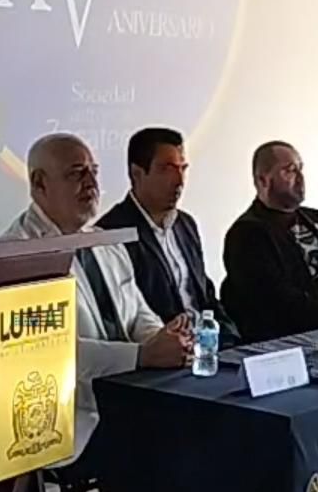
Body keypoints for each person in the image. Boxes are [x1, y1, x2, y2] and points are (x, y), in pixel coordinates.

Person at [0, 133, 192, 475]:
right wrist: (142, 356)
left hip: (127, 397)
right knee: (172, 443)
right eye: (76, 173)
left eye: (94, 172)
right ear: (39, 183)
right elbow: (49, 357)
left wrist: (163, 338)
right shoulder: (16, 256)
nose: (91, 183)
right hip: (68, 422)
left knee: (204, 419)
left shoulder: (104, 239)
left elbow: (138, 313)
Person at [221, 141, 318, 343]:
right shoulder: (247, 233)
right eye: (290, 171)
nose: (301, 178)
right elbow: (272, 300)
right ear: (263, 180)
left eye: (300, 169)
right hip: (295, 338)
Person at [96, 127, 237, 344]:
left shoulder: (186, 224)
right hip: (162, 350)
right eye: (166, 169)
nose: (179, 180)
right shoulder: (112, 235)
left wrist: (231, 339)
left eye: (182, 169)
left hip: (209, 347)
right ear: (137, 173)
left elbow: (205, 295)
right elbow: (129, 318)